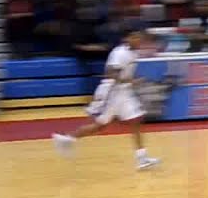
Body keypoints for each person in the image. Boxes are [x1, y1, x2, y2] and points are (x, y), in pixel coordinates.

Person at [51, 30, 160, 170]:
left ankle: (142, 158)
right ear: (127, 38)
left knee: (137, 119)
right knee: (100, 126)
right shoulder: (120, 53)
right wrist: (130, 80)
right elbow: (110, 73)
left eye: (141, 37)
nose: (139, 40)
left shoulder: (134, 52)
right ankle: (67, 139)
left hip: (123, 92)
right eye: (136, 37)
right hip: (111, 91)